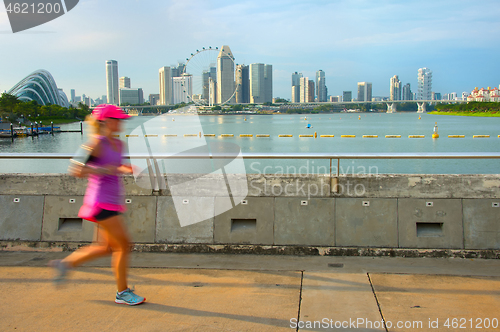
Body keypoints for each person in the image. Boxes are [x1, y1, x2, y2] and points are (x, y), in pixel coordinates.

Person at [49, 104, 145, 306]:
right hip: (101, 202)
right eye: (118, 119)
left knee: (104, 247)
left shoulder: (118, 145)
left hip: (113, 201)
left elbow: (114, 165)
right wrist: (103, 170)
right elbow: (76, 170)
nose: (121, 123)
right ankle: (122, 293)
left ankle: (66, 264)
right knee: (123, 246)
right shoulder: (95, 144)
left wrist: (126, 168)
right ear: (107, 122)